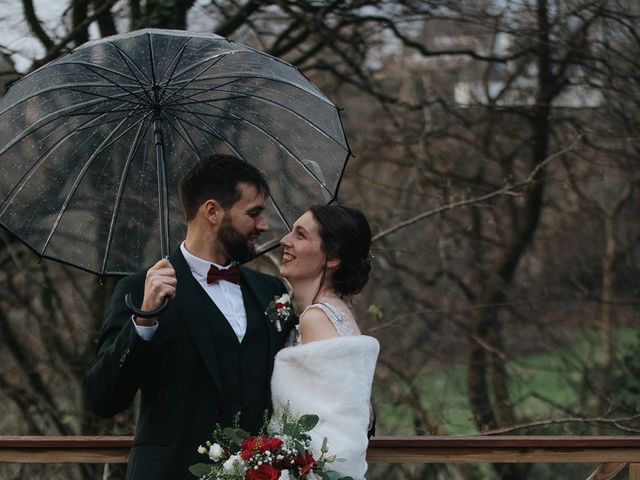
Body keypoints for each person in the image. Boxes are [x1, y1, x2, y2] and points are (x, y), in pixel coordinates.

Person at [84, 154, 291, 480]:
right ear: (212, 211)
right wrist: (145, 318)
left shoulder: (271, 292)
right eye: (253, 213)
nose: (263, 226)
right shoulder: (139, 289)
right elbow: (102, 398)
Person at [270, 205, 379, 480]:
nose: (285, 240)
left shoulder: (316, 318)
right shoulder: (338, 312)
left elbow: (333, 431)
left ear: (332, 257)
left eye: (300, 235)